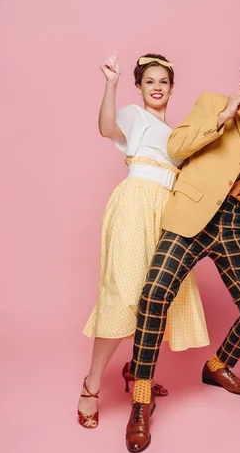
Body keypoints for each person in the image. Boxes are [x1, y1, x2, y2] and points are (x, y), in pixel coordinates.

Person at [125, 57, 240, 453]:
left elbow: (237, 179)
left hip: (231, 225)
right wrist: (224, 116)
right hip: (192, 217)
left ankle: (217, 367)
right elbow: (177, 145)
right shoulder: (215, 104)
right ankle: (142, 400)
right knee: (154, 297)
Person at [78, 52, 210, 429]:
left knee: (156, 296)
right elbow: (106, 129)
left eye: (163, 82)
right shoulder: (134, 117)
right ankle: (90, 386)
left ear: (172, 88)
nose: (156, 87)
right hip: (135, 203)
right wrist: (111, 84)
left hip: (168, 213)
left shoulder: (179, 135)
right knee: (123, 295)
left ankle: (138, 369)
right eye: (149, 81)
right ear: (140, 87)